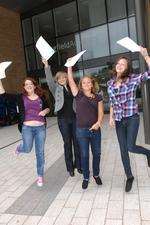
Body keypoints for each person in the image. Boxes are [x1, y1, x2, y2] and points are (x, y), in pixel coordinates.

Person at [107, 46, 150, 192]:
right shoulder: (110, 83)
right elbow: (112, 101)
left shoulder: (132, 79)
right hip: (119, 120)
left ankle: (148, 153)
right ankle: (129, 176)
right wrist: (111, 117)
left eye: (123, 64)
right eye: (118, 63)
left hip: (132, 118)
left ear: (127, 68)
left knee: (131, 147)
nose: (120, 65)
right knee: (123, 149)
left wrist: (145, 55)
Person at [42, 59, 82, 177]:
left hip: (75, 118)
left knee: (77, 142)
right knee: (67, 143)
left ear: (66, 78)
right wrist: (46, 66)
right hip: (63, 120)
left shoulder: (72, 88)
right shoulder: (55, 89)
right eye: (59, 78)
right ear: (57, 80)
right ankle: (70, 167)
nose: (62, 79)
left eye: (64, 77)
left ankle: (78, 165)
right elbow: (49, 81)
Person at [67, 65, 104, 189]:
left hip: (95, 130)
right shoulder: (78, 95)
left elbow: (101, 112)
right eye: (84, 82)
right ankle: (86, 177)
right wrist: (69, 67)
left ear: (92, 84)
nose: (87, 84)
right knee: (84, 155)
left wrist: (98, 122)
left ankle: (96, 174)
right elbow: (71, 81)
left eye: (89, 82)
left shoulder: (98, 96)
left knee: (97, 153)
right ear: (81, 85)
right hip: (81, 130)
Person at [15, 77, 50, 187]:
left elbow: (48, 107)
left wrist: (45, 111)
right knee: (27, 148)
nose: (29, 85)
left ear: (34, 85)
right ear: (24, 87)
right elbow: (4, 94)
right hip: (27, 128)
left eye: (31, 84)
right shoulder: (21, 98)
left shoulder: (41, 96)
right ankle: (20, 148)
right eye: (26, 84)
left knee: (40, 152)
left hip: (40, 128)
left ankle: (40, 176)